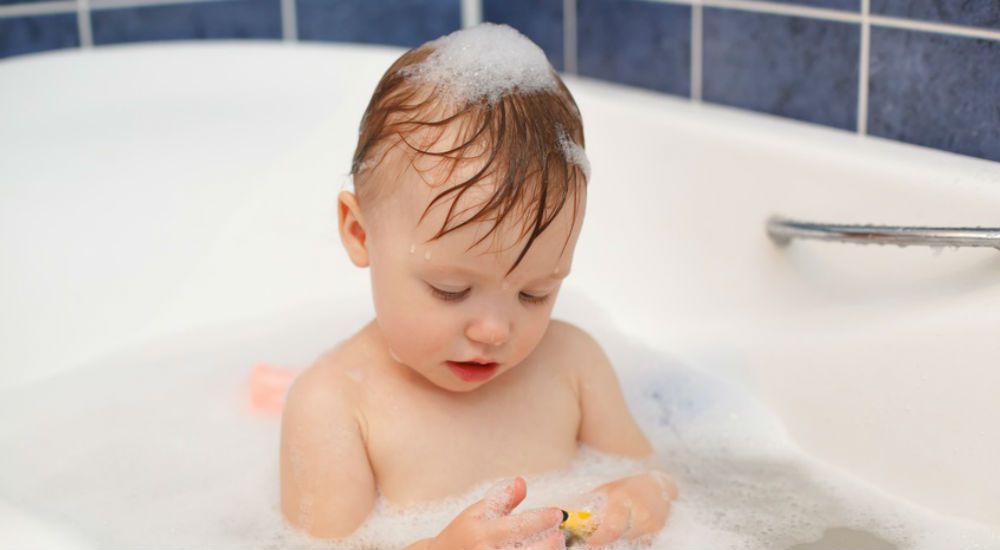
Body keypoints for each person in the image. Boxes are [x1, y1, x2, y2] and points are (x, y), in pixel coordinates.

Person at [280, 23, 677, 549]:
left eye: (534, 294)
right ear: (360, 234)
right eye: (450, 290)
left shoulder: (574, 366)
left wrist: (649, 494)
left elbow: (659, 477)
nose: (494, 330)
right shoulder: (334, 407)